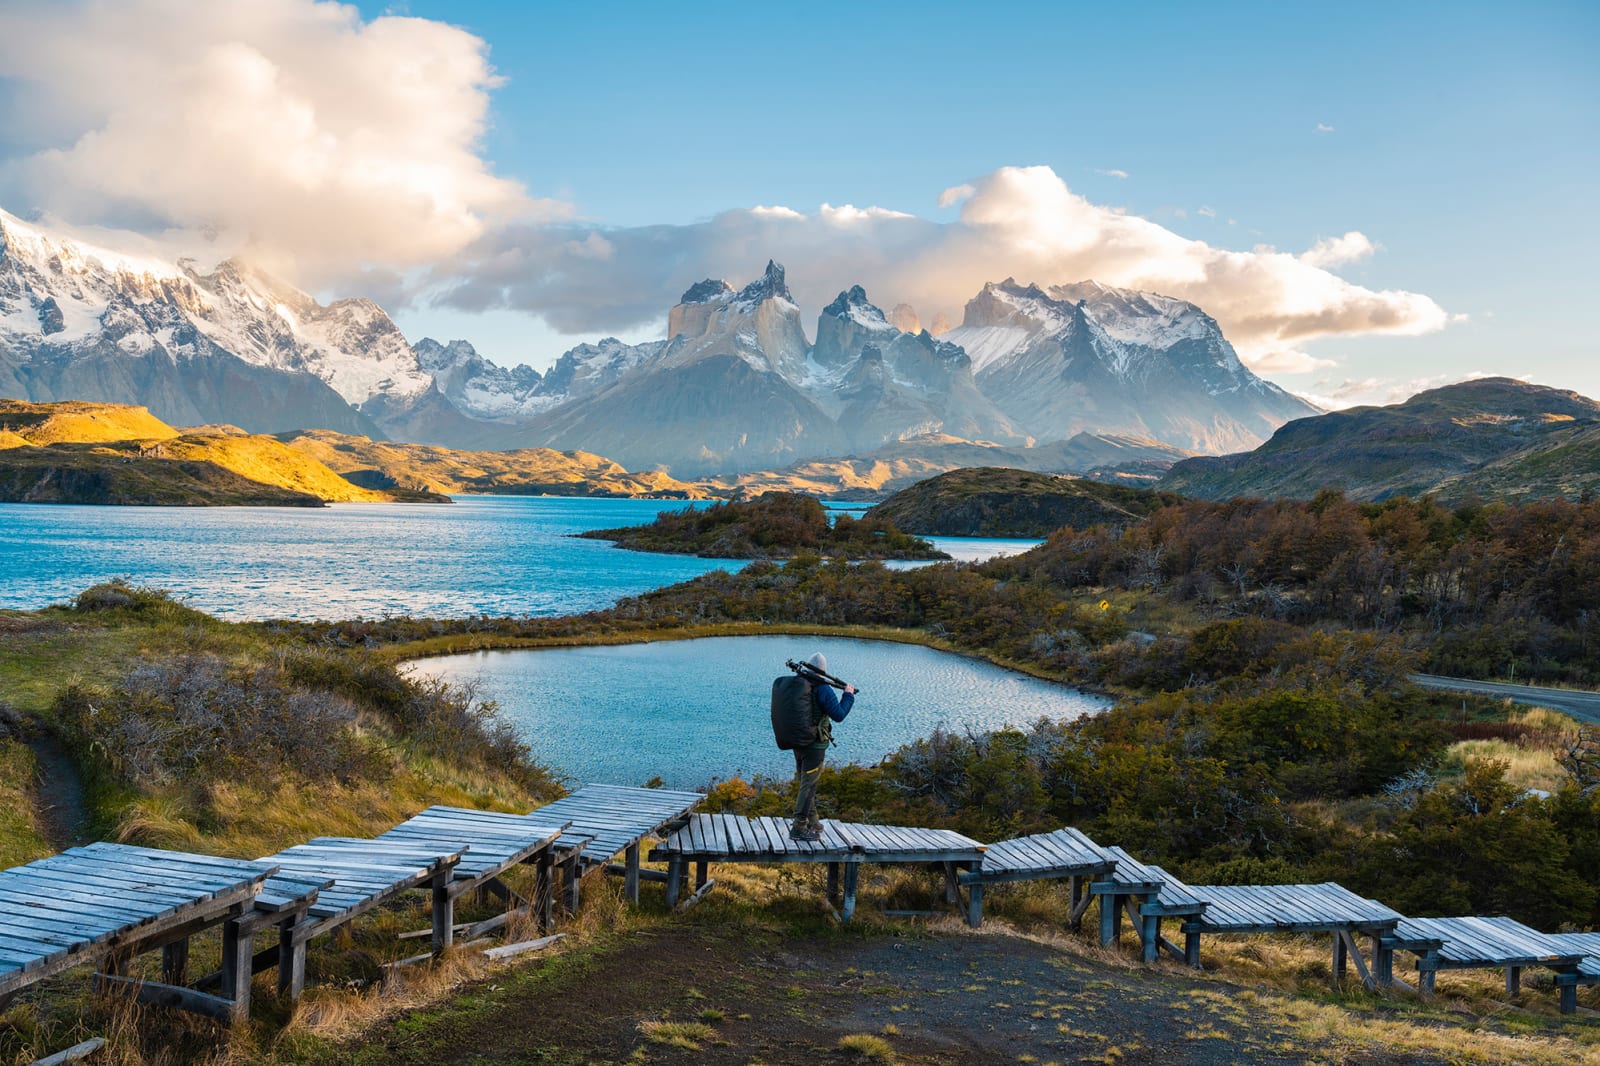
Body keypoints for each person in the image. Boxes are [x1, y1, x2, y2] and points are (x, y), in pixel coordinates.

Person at [791, 652, 855, 841]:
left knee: (806, 783)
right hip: (815, 745)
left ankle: (814, 823)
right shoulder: (823, 688)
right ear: (823, 671)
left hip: (797, 741)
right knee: (809, 784)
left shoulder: (798, 683)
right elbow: (839, 715)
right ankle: (798, 829)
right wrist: (848, 695)